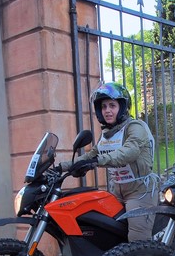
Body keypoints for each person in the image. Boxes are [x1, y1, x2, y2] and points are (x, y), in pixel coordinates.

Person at [60, 82, 158, 241]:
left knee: (137, 241)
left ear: (123, 107)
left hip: (139, 192)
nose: (107, 110)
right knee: (108, 235)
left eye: (112, 105)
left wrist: (97, 161)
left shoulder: (135, 127)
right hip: (116, 191)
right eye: (103, 107)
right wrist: (60, 167)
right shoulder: (107, 134)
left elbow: (129, 152)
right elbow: (89, 156)